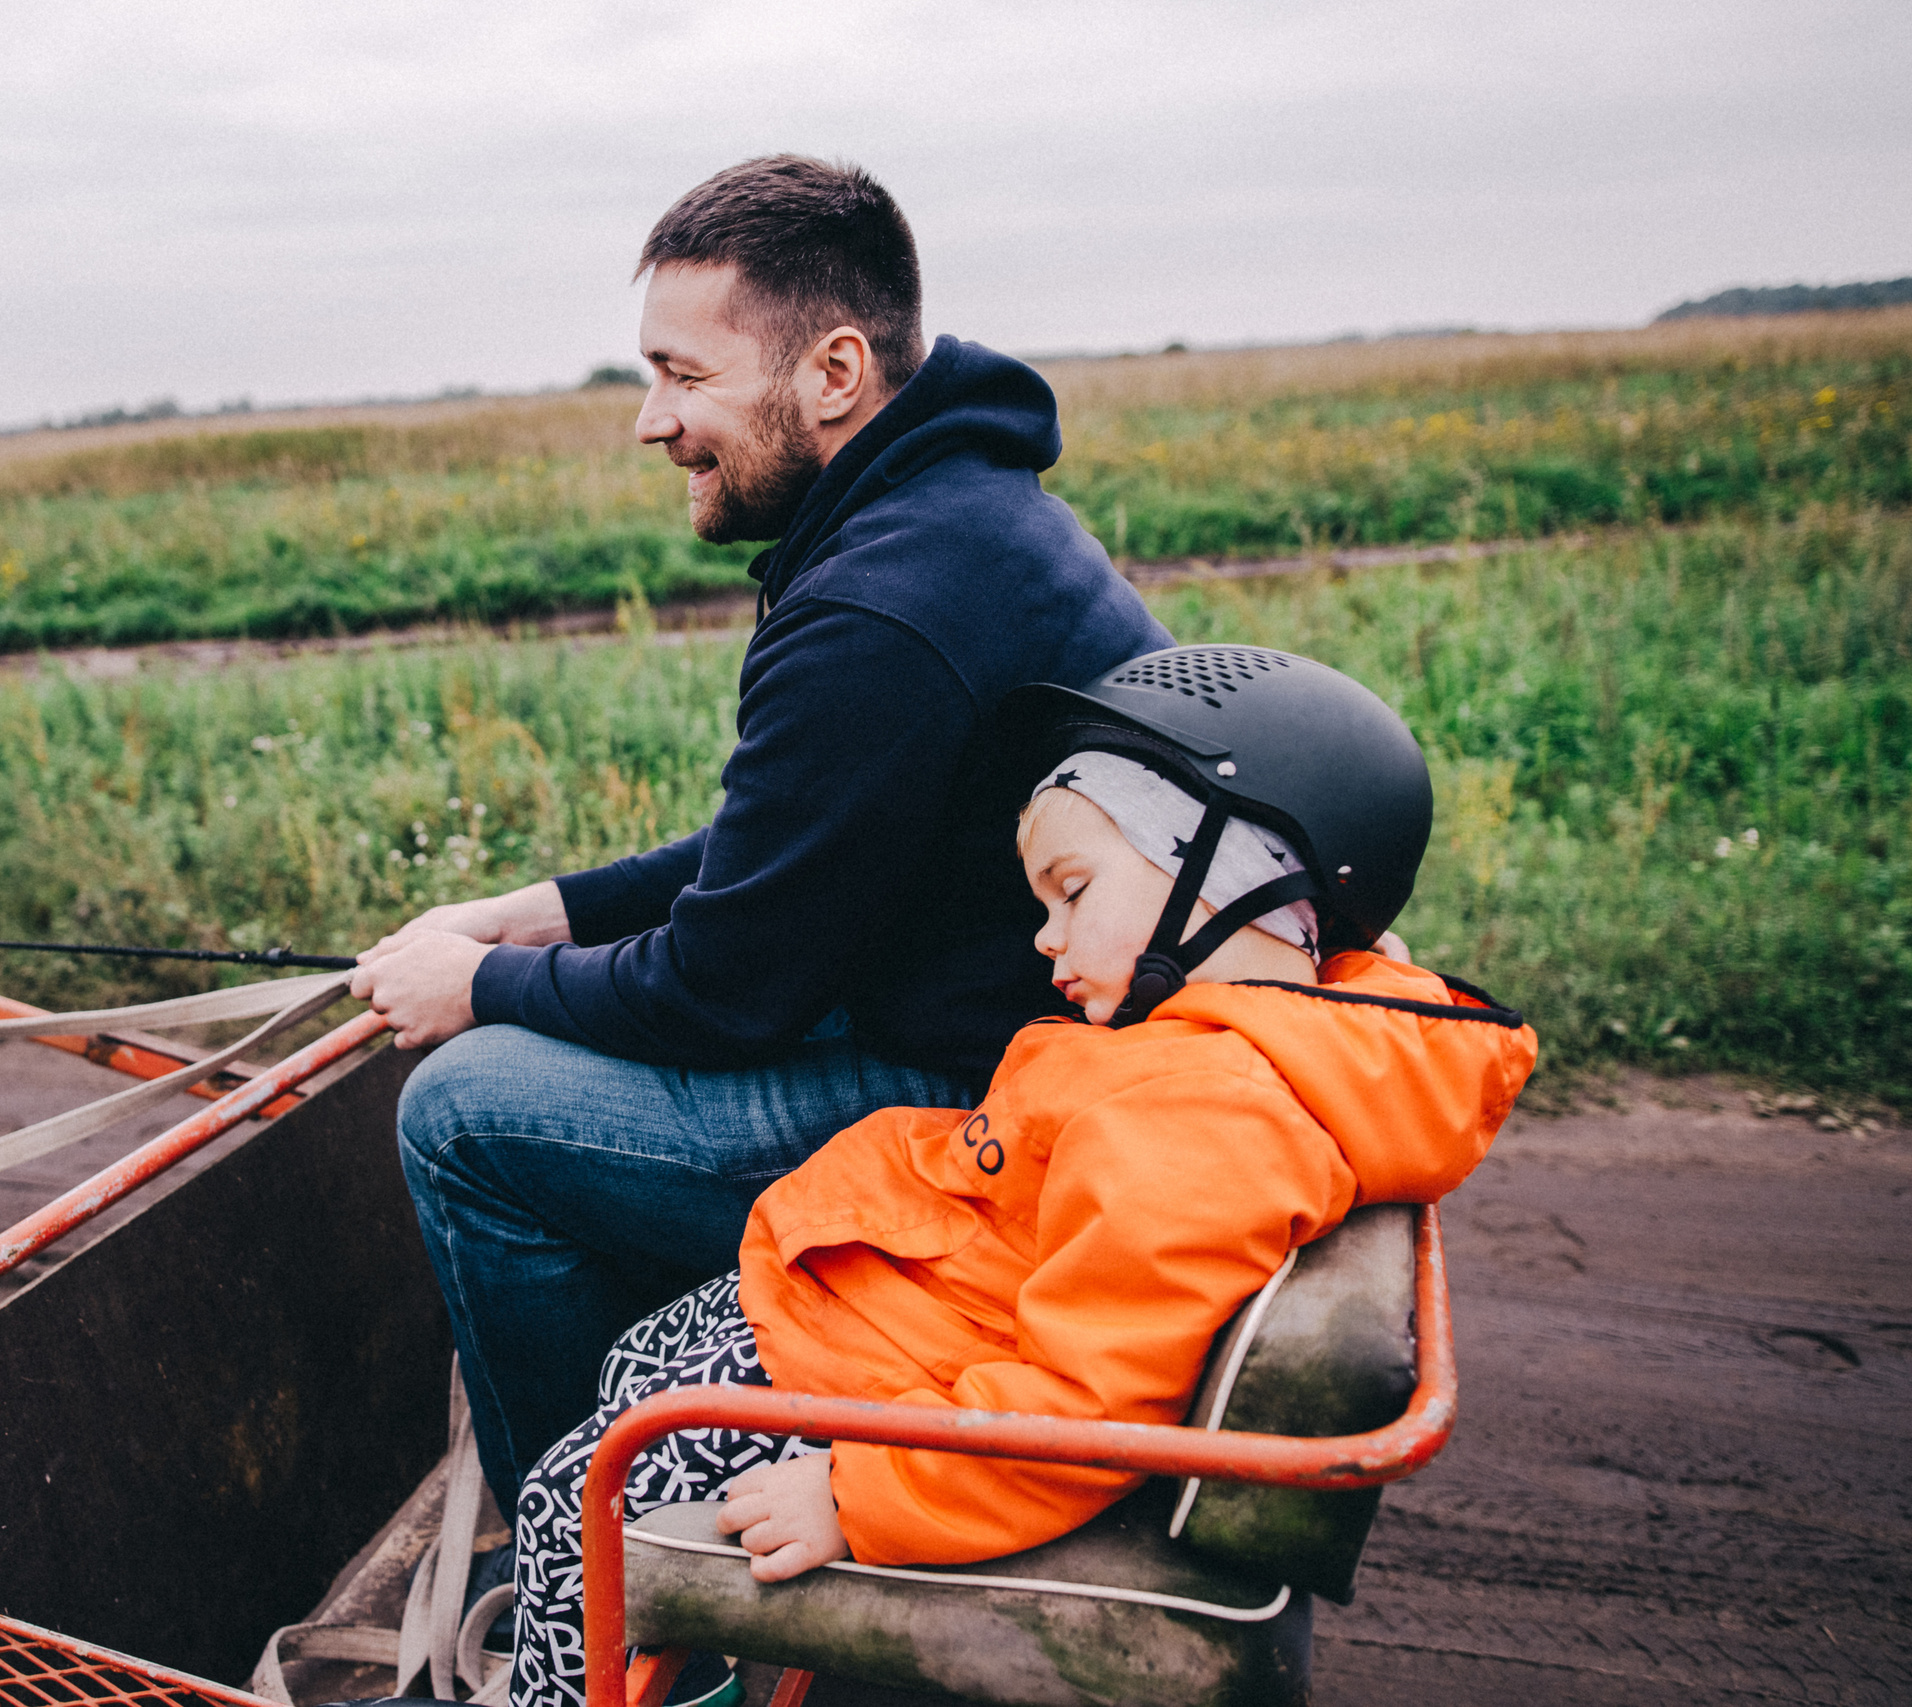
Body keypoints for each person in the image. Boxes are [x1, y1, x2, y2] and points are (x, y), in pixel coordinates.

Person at [348, 155, 1172, 1523]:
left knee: (464, 1110)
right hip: (1019, 1038)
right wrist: (536, 912)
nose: (649, 420)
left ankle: (601, 1564)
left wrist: (476, 986)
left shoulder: (881, 606)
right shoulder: (957, 516)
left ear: (835, 370)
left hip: (988, 1103)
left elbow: (728, 990)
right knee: (525, 1040)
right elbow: (789, 844)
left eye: (683, 374)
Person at [497, 645, 1541, 1707]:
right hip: (915, 1323)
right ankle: (684, 1667)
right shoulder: (1244, 1036)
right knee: (637, 1361)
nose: (1045, 939)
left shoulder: (1201, 1116)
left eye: (1072, 891)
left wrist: (862, 1496)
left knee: (566, 1506)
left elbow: (1087, 1405)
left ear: (1231, 879)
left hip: (916, 1397)